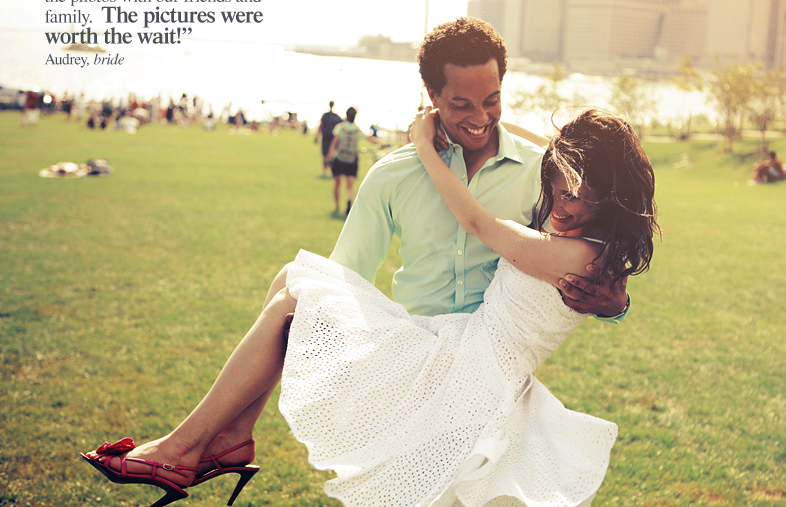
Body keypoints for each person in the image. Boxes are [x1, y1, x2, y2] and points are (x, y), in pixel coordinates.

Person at [81, 108, 659, 507]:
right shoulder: (592, 244)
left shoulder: (579, 254)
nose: (563, 202)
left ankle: (189, 447)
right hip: (461, 348)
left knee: (296, 290)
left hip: (468, 370)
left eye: (582, 196)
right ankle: (225, 437)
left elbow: (478, 222)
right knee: (293, 281)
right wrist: (485, 120)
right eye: (558, 185)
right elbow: (558, 154)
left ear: (614, 200)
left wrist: (426, 146)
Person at [331, 17, 629, 319]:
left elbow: (590, 262)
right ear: (433, 95)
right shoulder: (392, 175)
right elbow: (347, 273)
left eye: (492, 100)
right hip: (414, 347)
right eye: (462, 105)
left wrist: (616, 306)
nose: (479, 118)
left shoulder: (541, 173)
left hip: (497, 352)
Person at [327, 107, 380, 216]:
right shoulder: (357, 129)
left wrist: (329, 155)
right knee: (350, 185)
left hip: (339, 158)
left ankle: (337, 206)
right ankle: (349, 200)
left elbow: (334, 142)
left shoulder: (340, 128)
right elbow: (369, 138)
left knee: (337, 184)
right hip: (351, 161)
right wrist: (382, 143)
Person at [316, 101, 343, 178]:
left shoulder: (325, 115)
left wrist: (317, 135)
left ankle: (325, 171)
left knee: (325, 155)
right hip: (333, 138)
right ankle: (331, 171)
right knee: (331, 155)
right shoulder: (336, 117)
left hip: (326, 137)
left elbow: (320, 125)